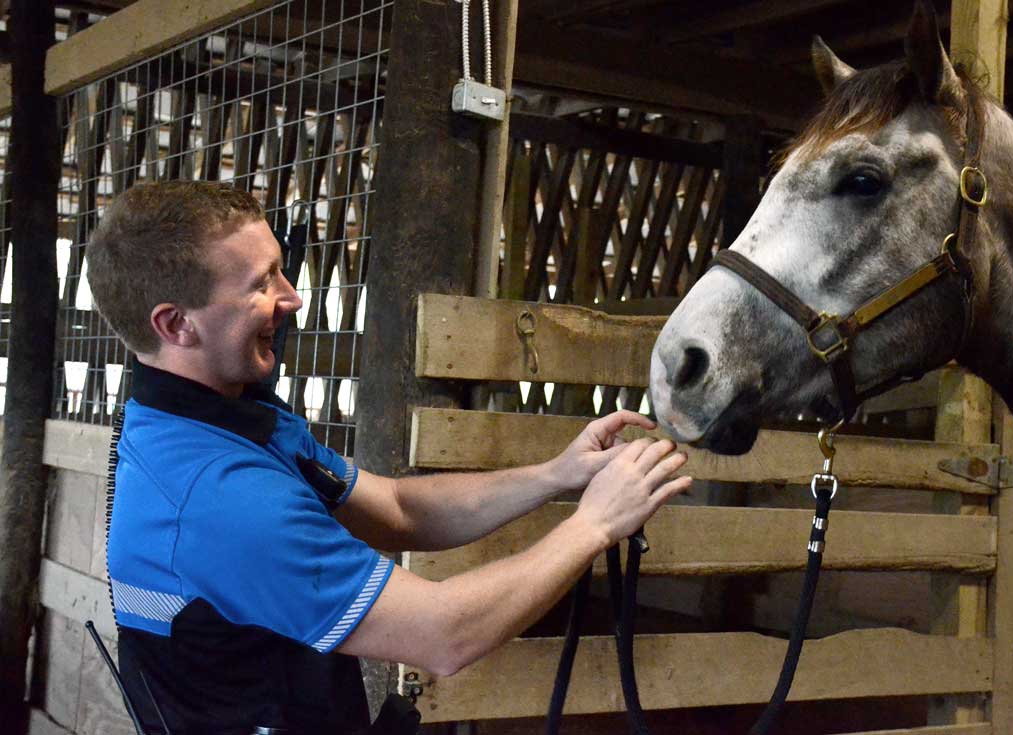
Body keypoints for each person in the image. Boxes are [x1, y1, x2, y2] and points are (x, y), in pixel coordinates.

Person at [86, 180, 691, 734]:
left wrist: (558, 474)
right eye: (261, 283)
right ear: (176, 325)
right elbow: (444, 633)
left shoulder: (217, 420)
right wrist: (594, 525)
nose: (292, 298)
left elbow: (398, 507)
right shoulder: (216, 498)